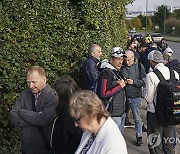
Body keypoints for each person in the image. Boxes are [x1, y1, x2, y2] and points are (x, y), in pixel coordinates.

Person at [10, 66, 58, 154]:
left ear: (44, 80)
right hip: (26, 148)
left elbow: (44, 119)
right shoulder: (24, 94)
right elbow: (13, 116)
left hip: (44, 149)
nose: (31, 86)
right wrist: (35, 119)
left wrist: (22, 112)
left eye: (34, 82)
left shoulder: (52, 96)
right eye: (28, 82)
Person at [145, 50, 179, 154]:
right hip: (170, 113)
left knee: (155, 143)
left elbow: (149, 98)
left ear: (151, 61)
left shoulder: (151, 75)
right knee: (168, 142)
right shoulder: (174, 73)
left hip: (155, 114)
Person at [97, 47, 127, 133]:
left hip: (119, 113)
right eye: (117, 59)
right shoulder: (106, 73)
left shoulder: (115, 71)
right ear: (111, 59)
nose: (120, 62)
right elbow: (103, 93)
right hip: (112, 114)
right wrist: (120, 86)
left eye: (122, 59)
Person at [50, 77, 83, 154]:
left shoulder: (69, 116)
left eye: (55, 94)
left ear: (62, 96)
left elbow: (63, 141)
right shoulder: (73, 111)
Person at [121, 50, 146, 146]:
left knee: (137, 117)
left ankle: (139, 136)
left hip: (135, 96)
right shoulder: (122, 66)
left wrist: (134, 82)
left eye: (128, 60)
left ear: (133, 58)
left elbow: (143, 80)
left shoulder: (139, 66)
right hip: (124, 96)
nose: (126, 62)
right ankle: (120, 136)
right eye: (125, 60)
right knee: (122, 117)